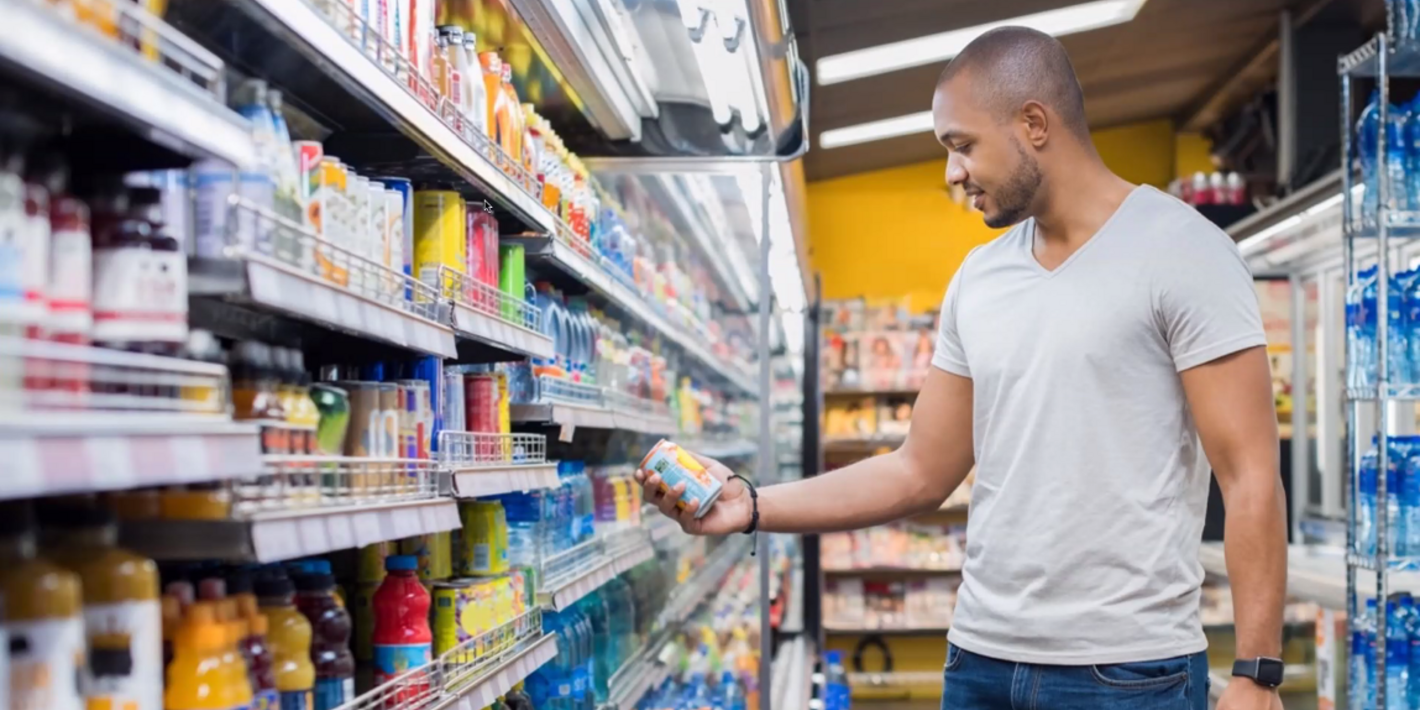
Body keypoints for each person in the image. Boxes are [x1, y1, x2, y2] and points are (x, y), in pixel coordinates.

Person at [637, 26, 1286, 710]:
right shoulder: (980, 278)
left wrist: (1257, 672)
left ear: (1034, 124)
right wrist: (754, 504)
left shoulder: (1182, 250)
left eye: (962, 145)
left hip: (1126, 672)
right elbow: (918, 470)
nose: (952, 173)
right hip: (979, 661)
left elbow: (1248, 473)